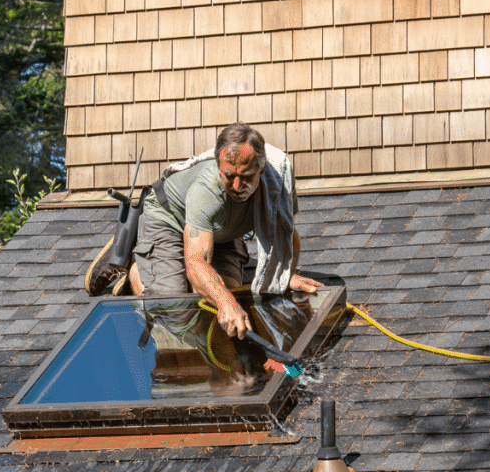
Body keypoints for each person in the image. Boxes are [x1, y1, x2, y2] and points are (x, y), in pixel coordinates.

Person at [86, 123, 322, 338]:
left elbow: (286, 234)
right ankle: (138, 268)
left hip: (221, 230)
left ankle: (154, 267)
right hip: (169, 219)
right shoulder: (207, 188)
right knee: (175, 310)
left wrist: (284, 275)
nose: (237, 186)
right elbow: (196, 261)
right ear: (219, 167)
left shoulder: (277, 184)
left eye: (246, 176)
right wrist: (223, 301)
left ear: (261, 169)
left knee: (229, 295)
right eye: (229, 176)